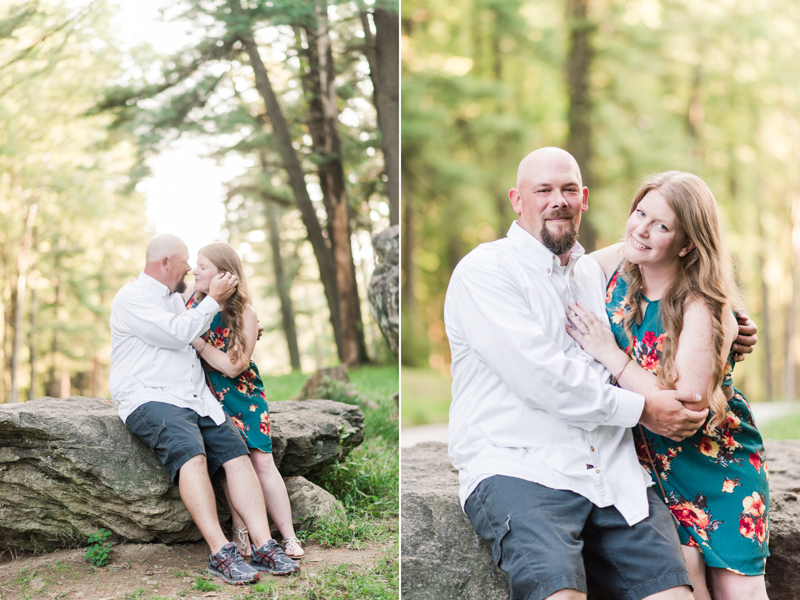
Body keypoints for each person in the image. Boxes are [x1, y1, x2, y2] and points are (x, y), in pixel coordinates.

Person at [445, 147, 709, 600]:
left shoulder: (593, 274)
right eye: (542, 190)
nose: (558, 200)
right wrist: (645, 410)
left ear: (583, 198)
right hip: (521, 467)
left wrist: (734, 319)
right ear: (516, 200)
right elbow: (544, 380)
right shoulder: (485, 271)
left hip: (613, 475)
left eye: (568, 189)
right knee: (560, 595)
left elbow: (680, 265)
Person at [564, 171, 769, 600]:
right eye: (640, 212)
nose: (641, 228)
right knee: (682, 583)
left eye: (662, 225)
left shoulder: (701, 307)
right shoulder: (621, 269)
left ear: (687, 243)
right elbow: (562, 267)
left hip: (713, 468)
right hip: (648, 472)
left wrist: (610, 353)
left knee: (739, 592)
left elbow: (682, 412)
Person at [109, 234, 299, 585]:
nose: (190, 269)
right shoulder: (133, 297)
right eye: (185, 262)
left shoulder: (178, 298)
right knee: (192, 455)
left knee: (237, 456)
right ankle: (220, 551)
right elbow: (178, 333)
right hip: (152, 397)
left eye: (197, 265)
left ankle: (263, 544)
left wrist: (244, 324)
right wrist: (212, 300)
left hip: (196, 397)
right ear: (166, 263)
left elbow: (226, 327)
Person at [181, 242, 304, 560]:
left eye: (203, 267)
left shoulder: (245, 313)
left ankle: (288, 536)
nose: (196, 271)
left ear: (224, 275)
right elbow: (165, 317)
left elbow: (234, 365)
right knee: (230, 463)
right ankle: (241, 533)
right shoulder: (190, 304)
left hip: (243, 395)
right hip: (207, 396)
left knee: (262, 461)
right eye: (196, 265)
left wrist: (195, 340)